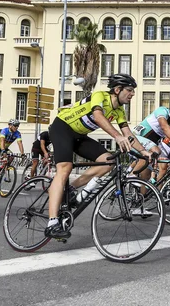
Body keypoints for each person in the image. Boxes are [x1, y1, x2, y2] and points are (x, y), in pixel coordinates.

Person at [45, 74, 152, 239]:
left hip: (79, 135)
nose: (132, 94)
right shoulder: (99, 95)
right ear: (117, 90)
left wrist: (143, 151)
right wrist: (117, 136)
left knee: (107, 161)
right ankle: (52, 222)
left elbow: (127, 133)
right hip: (62, 128)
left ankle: (71, 189)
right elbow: (98, 116)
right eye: (129, 90)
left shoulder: (119, 110)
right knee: (64, 168)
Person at [132, 97, 170, 184]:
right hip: (137, 139)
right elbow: (164, 126)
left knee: (146, 176)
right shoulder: (162, 111)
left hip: (150, 146)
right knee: (157, 151)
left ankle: (143, 197)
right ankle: (131, 175)